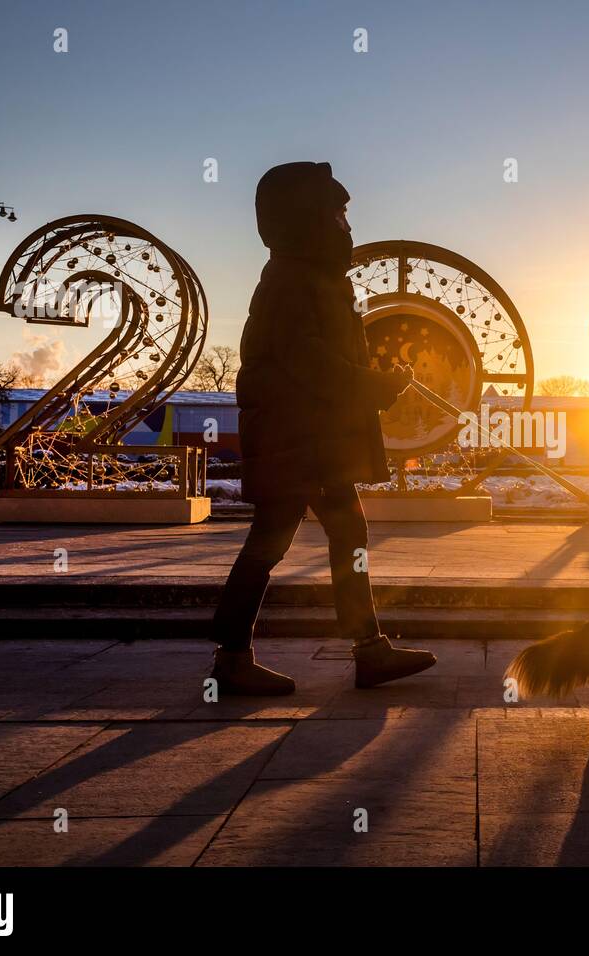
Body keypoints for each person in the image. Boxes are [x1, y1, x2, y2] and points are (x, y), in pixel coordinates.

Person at [209, 161, 437, 695]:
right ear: (307, 219)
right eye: (337, 213)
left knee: (333, 535)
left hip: (312, 443)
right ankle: (236, 657)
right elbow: (310, 363)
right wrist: (374, 386)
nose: (346, 225)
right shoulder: (293, 281)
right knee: (271, 544)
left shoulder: (308, 279)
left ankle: (363, 648)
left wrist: (374, 381)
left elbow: (321, 363)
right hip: (299, 444)